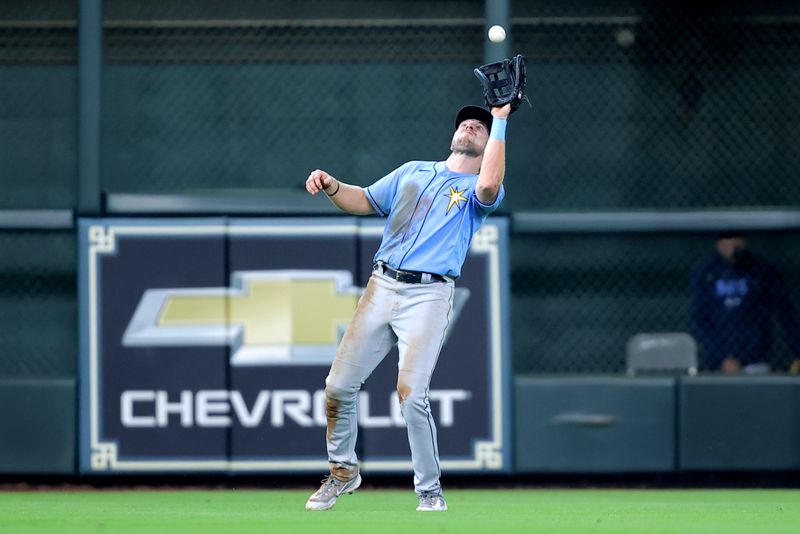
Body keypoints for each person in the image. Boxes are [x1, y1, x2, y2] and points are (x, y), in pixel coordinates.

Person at [302, 103, 512, 512]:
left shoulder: (480, 188)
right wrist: (331, 185)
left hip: (429, 295)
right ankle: (343, 472)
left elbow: (488, 186)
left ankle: (429, 492)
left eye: (480, 126)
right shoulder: (413, 170)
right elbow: (363, 200)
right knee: (338, 387)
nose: (471, 125)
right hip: (381, 286)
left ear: (489, 145)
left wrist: (500, 119)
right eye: (466, 122)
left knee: (412, 396)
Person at [690, 232, 800, 374]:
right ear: (718, 243)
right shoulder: (705, 273)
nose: (732, 246)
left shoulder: (761, 269)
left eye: (736, 239)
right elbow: (700, 320)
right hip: (719, 364)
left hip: (756, 359)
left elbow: (786, 312)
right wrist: (722, 359)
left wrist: (798, 351)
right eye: (726, 240)